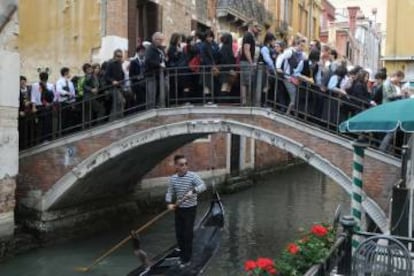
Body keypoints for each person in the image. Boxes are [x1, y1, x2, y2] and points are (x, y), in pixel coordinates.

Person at [165, 154, 207, 269]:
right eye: (181, 164)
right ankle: (182, 253)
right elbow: (169, 192)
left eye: (186, 164)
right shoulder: (173, 179)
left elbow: (203, 186)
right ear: (176, 166)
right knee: (179, 234)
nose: (184, 166)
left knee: (187, 234)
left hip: (190, 209)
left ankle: (187, 259)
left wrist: (193, 191)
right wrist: (169, 203)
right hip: (179, 209)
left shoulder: (193, 176)